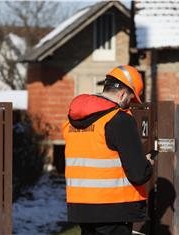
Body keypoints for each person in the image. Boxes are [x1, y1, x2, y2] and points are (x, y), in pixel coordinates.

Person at [62, 65, 154, 235]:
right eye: (131, 99)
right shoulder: (120, 120)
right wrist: (147, 164)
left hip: (81, 208)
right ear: (123, 94)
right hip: (114, 209)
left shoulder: (71, 122)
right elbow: (138, 174)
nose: (129, 105)